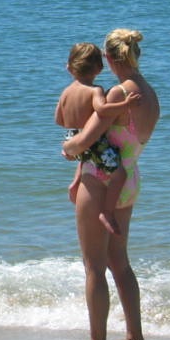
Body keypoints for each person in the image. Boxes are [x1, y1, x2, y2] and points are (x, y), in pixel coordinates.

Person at [62, 29, 160, 340]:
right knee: (120, 261)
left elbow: (86, 139)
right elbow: (120, 142)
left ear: (108, 58)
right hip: (128, 179)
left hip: (100, 182)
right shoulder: (150, 93)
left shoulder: (118, 94)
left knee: (94, 266)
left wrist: (69, 149)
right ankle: (135, 336)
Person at [54, 43, 139, 226]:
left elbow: (58, 119)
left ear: (69, 67)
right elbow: (102, 109)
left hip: (72, 135)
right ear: (99, 69)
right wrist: (125, 105)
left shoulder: (66, 92)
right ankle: (107, 212)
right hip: (93, 141)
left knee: (86, 160)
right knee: (120, 175)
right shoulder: (95, 90)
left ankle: (75, 183)